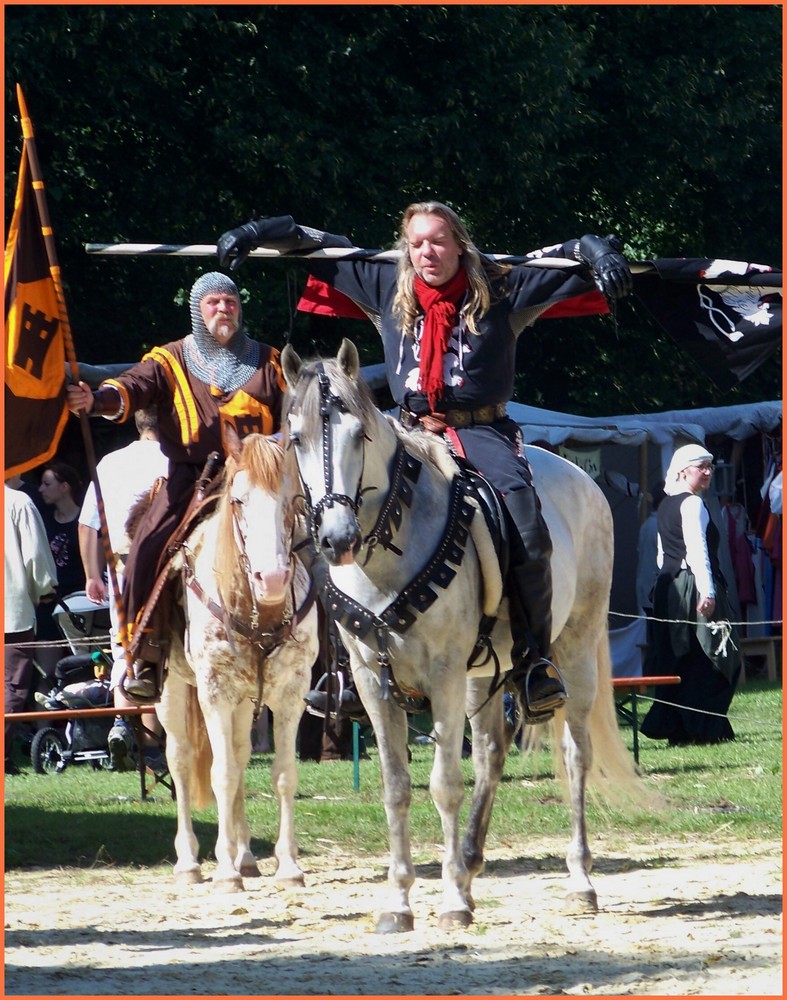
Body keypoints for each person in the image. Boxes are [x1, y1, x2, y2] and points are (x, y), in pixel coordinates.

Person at [217, 205, 633, 722]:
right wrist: (257, 232)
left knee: (526, 521)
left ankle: (533, 660)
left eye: (437, 242)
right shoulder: (387, 285)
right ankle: (348, 666)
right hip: (406, 430)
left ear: (460, 244)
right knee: (335, 511)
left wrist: (593, 250)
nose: (427, 253)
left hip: (482, 430)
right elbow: (315, 242)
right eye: (416, 244)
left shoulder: (499, 288)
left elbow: (558, 259)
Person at [66, 272, 287, 701]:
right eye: (214, 303)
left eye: (230, 302)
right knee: (146, 549)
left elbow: (294, 413)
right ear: (197, 311)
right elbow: (132, 386)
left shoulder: (268, 361)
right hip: (192, 480)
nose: (224, 309)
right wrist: (97, 400)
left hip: (260, 479)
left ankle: (329, 659)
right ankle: (143, 652)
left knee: (320, 540)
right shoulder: (171, 360)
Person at [78, 407, 169, 769]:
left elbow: (88, 525)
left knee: (124, 650)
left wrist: (91, 575)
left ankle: (120, 723)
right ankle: (151, 748)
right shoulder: (177, 460)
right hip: (165, 568)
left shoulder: (110, 463)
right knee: (161, 654)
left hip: (120, 568)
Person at [640, 444, 741, 745]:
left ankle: (682, 728)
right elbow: (698, 552)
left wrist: (667, 586)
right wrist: (707, 592)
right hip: (691, 585)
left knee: (679, 657)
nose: (708, 472)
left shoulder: (665, 506)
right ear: (684, 471)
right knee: (712, 656)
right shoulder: (692, 505)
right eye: (702, 467)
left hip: (669, 587)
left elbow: (661, 558)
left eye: (710, 466)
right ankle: (704, 728)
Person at [4, 484, 58, 773]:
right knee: (11, 687)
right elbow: (35, 556)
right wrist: (46, 587)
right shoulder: (18, 502)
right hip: (11, 613)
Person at [35, 462, 87, 680]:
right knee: (47, 674)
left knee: (87, 666)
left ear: (64, 487)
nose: (40, 489)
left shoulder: (86, 521)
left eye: (47, 484)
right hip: (49, 603)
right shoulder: (43, 522)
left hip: (80, 605)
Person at [636, 479, 666, 660]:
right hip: (655, 589)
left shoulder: (646, 525)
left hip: (644, 586)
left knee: (654, 634)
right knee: (661, 636)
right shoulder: (660, 526)